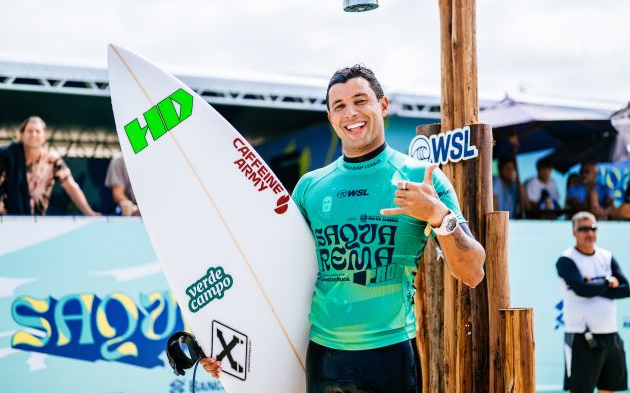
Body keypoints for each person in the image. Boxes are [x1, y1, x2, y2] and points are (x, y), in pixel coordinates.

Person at [201, 65, 486, 391]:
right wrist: (226, 346)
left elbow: (474, 272)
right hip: (324, 358)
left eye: (361, 100)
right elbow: (275, 275)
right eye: (339, 106)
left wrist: (438, 215)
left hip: (391, 356)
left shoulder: (421, 179)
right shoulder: (311, 187)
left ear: (382, 105)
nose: (351, 113)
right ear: (330, 118)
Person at [556, 211, 629, 393]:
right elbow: (582, 290)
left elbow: (626, 289)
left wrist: (593, 285)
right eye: (583, 229)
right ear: (574, 232)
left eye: (592, 228)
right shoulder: (566, 260)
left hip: (611, 335)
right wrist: (607, 282)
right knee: (580, 390)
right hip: (582, 336)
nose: (589, 233)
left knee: (609, 388)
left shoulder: (606, 256)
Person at [0, 116, 99, 216]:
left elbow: (71, 186)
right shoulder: (7, 155)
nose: (33, 134)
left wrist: (89, 212)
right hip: (8, 219)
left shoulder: (52, 160)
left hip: (37, 221)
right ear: (21, 135)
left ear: (44, 137)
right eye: (29, 131)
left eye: (37, 131)